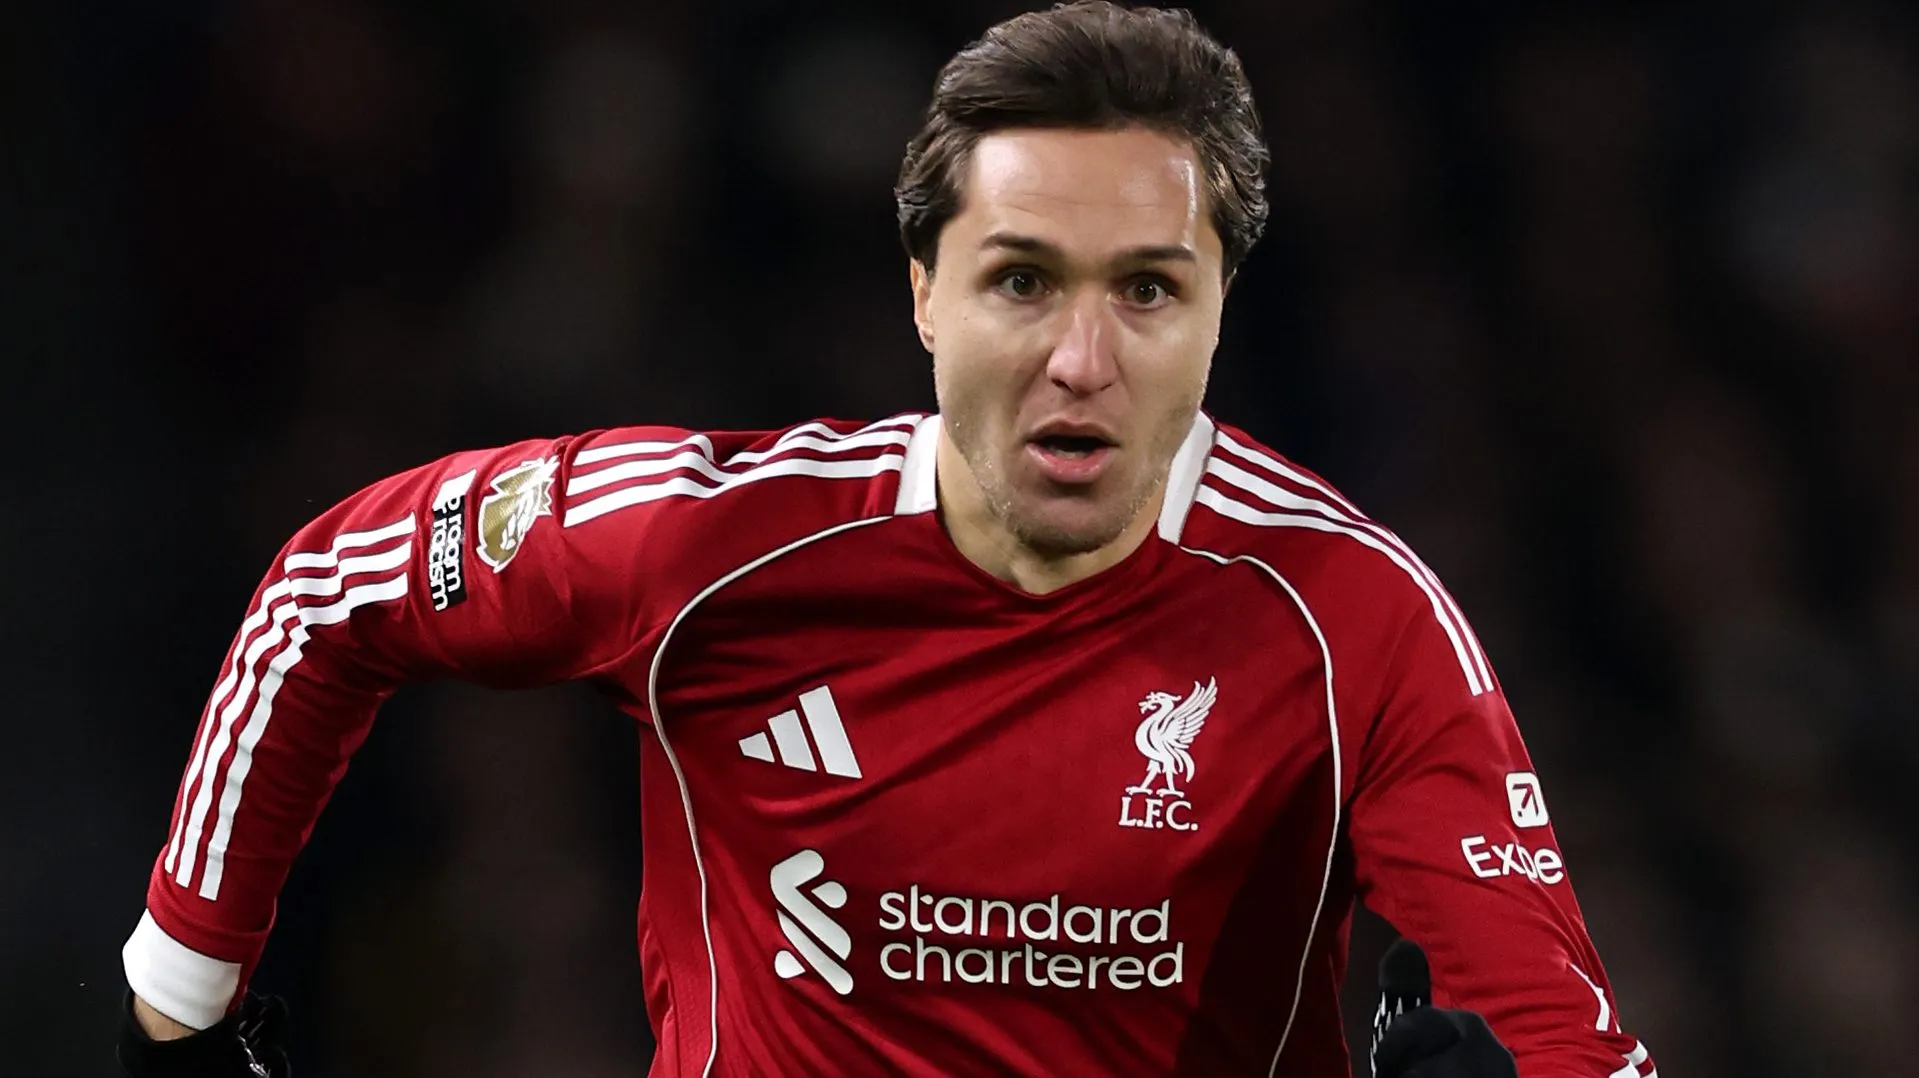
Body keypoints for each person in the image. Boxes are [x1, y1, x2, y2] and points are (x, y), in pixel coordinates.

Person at [118, 3, 1658, 1075]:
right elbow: (328, 592)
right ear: (923, 293)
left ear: (1216, 311)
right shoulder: (704, 544)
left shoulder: (1351, 617)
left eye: (1145, 287)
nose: (1080, 359)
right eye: (1020, 280)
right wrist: (179, 1004)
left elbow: (1565, 1039)